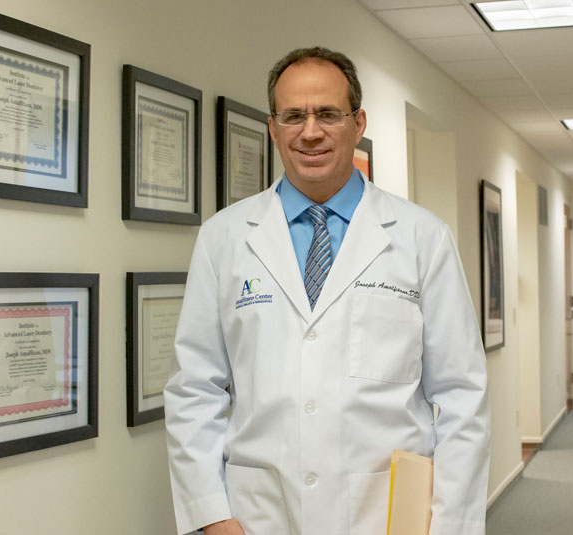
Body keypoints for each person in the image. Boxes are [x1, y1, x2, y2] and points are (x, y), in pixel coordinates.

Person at [164, 46, 490, 535]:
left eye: (328, 114)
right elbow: (194, 388)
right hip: (259, 515)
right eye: (293, 116)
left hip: (388, 515)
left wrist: (449, 526)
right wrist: (212, 514)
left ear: (358, 123)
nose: (310, 132)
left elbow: (461, 395)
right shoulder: (224, 238)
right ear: (273, 128)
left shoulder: (422, 236)